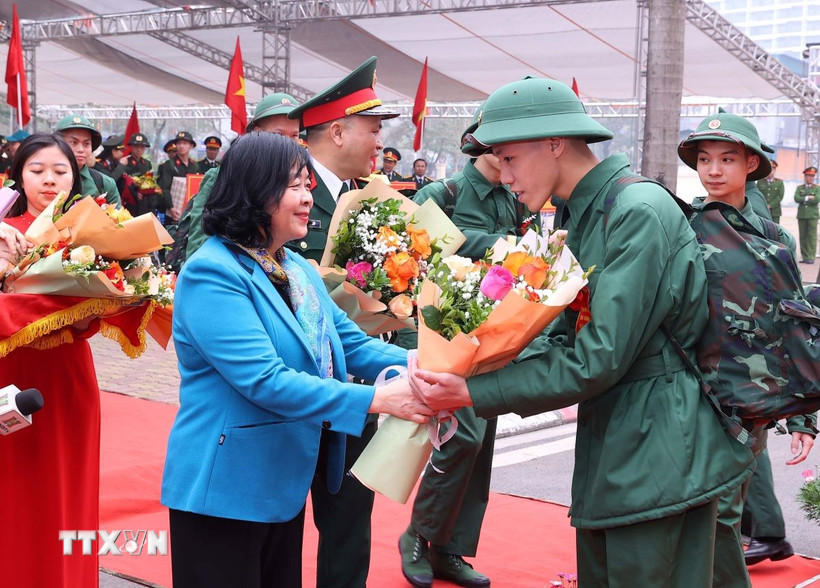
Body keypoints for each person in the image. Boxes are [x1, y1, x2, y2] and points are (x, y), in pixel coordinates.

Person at [408, 76, 755, 588]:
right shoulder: (586, 212)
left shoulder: (635, 212)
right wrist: (470, 362)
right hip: (623, 444)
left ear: (554, 144)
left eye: (509, 158)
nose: (503, 175)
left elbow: (598, 356)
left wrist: (473, 391)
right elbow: (567, 333)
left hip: (658, 453)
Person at [160, 131, 432, 588]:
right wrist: (381, 401)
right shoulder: (213, 272)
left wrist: (426, 363)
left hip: (279, 482)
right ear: (254, 189)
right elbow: (265, 380)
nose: (308, 198)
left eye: (308, 185)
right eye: (295, 186)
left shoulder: (296, 268)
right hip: (225, 487)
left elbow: (350, 345)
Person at [677, 112, 816, 586]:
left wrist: (802, 416)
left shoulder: (774, 237)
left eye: (727, 159)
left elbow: (794, 320)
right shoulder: (681, 225)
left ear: (751, 164)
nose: (713, 170)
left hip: (747, 400)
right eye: (705, 159)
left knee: (724, 514)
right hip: (687, 387)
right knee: (688, 514)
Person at [399, 111, 538, 588]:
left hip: (497, 337)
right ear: (485, 147)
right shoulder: (443, 194)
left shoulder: (517, 199)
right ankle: (418, 535)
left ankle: (449, 549)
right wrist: (503, 245)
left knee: (480, 450)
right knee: (462, 437)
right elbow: (417, 253)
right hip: (446, 334)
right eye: (510, 150)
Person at [286, 56, 401, 588]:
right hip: (292, 391)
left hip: (357, 383)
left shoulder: (368, 197)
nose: (380, 142)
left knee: (350, 523)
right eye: (374, 130)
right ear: (337, 130)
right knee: (278, 531)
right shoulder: (277, 185)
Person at [0, 132, 103, 588]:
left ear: (75, 176)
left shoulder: (93, 233)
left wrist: (91, 311)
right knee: (15, 489)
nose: (49, 179)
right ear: (19, 176)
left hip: (67, 377)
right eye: (37, 170)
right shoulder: (6, 231)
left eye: (61, 171)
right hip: (10, 371)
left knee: (65, 485)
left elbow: (99, 312)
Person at [183, 92, 302, 261]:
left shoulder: (299, 184)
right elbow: (199, 241)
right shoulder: (222, 177)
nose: (288, 144)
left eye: (294, 136)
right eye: (279, 135)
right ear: (257, 133)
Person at [55, 115, 121, 206]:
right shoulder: (44, 180)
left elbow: (119, 218)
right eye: (74, 142)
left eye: (86, 144)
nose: (81, 149)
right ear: (57, 144)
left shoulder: (104, 183)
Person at [157, 131, 200, 224]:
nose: (181, 146)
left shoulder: (195, 165)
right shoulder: (169, 164)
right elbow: (165, 188)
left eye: (185, 143)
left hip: (191, 211)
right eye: (179, 143)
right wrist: (171, 207)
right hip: (175, 211)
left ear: (191, 146)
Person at [120, 132, 155, 216]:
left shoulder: (147, 163)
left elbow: (150, 182)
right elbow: (121, 183)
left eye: (142, 147)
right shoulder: (125, 162)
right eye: (136, 146)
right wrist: (135, 193)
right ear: (131, 147)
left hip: (144, 202)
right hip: (129, 202)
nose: (139, 149)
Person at [795, 165, 819, 264]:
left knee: (811, 237)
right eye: (809, 176)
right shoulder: (799, 188)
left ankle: (811, 257)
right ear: (805, 177)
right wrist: (807, 198)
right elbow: (796, 198)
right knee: (803, 236)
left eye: (812, 176)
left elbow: (817, 199)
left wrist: (803, 198)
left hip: (812, 215)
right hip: (802, 215)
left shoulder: (817, 188)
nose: (811, 178)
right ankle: (805, 257)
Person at [757, 159, 784, 223]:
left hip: (775, 212)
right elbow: (757, 195)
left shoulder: (779, 183)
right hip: (762, 211)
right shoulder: (760, 182)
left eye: (772, 169)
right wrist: (763, 205)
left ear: (775, 170)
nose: (770, 171)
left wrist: (770, 205)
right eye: (769, 169)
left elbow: (780, 196)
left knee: (775, 230)